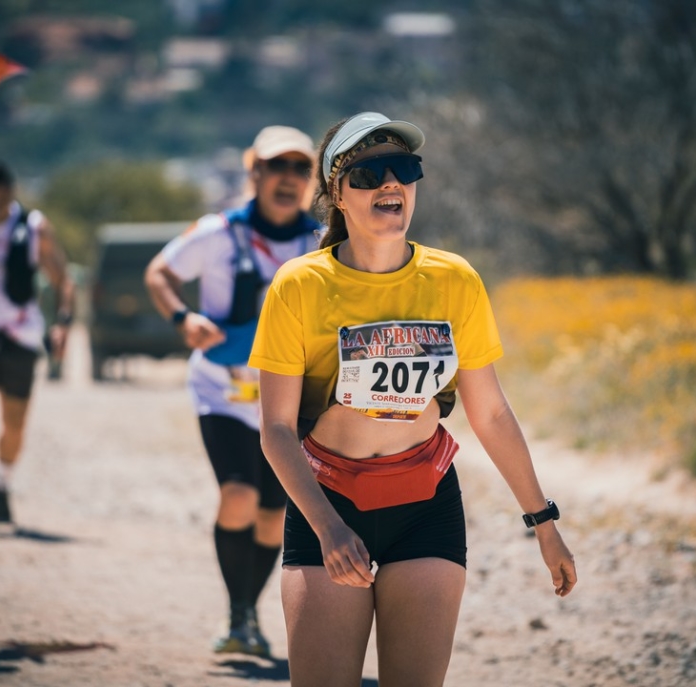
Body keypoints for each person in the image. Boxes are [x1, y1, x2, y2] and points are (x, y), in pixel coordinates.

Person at [247, 112, 578, 685]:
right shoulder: (298, 285)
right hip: (328, 502)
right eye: (368, 174)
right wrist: (327, 528)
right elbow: (276, 429)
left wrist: (544, 523)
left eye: (403, 168)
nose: (390, 183)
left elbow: (491, 413)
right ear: (337, 194)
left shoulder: (455, 279)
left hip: (425, 503)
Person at [144, 125, 323, 658]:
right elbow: (159, 273)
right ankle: (238, 613)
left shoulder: (322, 244)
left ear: (311, 181)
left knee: (273, 514)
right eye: (276, 166)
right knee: (238, 495)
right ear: (254, 173)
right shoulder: (217, 233)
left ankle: (245, 614)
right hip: (221, 390)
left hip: (287, 400)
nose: (288, 178)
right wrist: (183, 318)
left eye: (300, 168)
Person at [0, 160, 75, 534]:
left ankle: (2, 482)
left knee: (14, 421)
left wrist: (62, 324)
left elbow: (63, 279)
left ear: (12, 193)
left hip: (20, 335)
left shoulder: (35, 228)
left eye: (1, 199)